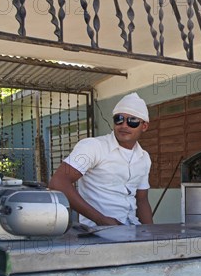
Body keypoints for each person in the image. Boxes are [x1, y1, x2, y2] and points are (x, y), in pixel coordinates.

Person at [50, 92, 153, 226]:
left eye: (132, 121)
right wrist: (101, 220)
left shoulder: (143, 157)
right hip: (98, 232)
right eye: (119, 119)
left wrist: (150, 234)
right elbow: (58, 183)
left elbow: (142, 200)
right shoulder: (93, 147)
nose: (124, 125)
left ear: (144, 126)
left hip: (132, 229)